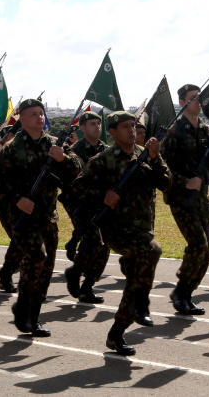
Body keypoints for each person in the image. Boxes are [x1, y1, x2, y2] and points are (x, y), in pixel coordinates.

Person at [74, 111, 171, 355]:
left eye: (134, 126)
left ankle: (117, 332)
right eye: (125, 126)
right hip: (116, 228)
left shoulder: (145, 155)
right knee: (152, 251)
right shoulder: (103, 159)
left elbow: (166, 182)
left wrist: (156, 157)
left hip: (142, 228)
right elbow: (78, 186)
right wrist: (103, 194)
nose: (131, 130)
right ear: (113, 132)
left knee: (137, 276)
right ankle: (140, 304)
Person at [0, 99, 81, 337]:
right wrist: (18, 198)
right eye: (33, 114)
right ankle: (23, 308)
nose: (39, 118)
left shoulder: (55, 145)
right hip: (21, 213)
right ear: (22, 118)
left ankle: (33, 316)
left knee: (47, 266)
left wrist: (63, 158)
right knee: (36, 256)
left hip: (47, 214)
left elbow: (78, 170)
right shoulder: (12, 148)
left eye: (41, 113)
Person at [160, 84, 209, 315]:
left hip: (201, 197)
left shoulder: (206, 130)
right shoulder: (174, 131)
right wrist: (183, 181)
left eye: (200, 98)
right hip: (181, 197)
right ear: (181, 102)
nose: (198, 102)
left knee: (204, 251)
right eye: (193, 98)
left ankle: (186, 293)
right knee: (198, 244)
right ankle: (180, 291)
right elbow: (161, 168)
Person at [63, 111, 109, 304]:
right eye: (92, 123)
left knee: (105, 246)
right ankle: (75, 272)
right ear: (82, 128)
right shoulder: (74, 151)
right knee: (93, 241)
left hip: (102, 203)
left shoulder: (106, 150)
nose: (97, 127)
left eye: (99, 123)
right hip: (80, 204)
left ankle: (87, 287)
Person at [0, 124, 24, 293]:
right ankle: (6, 274)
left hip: (28, 205)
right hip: (8, 206)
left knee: (23, 242)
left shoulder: (26, 153)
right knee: (18, 241)